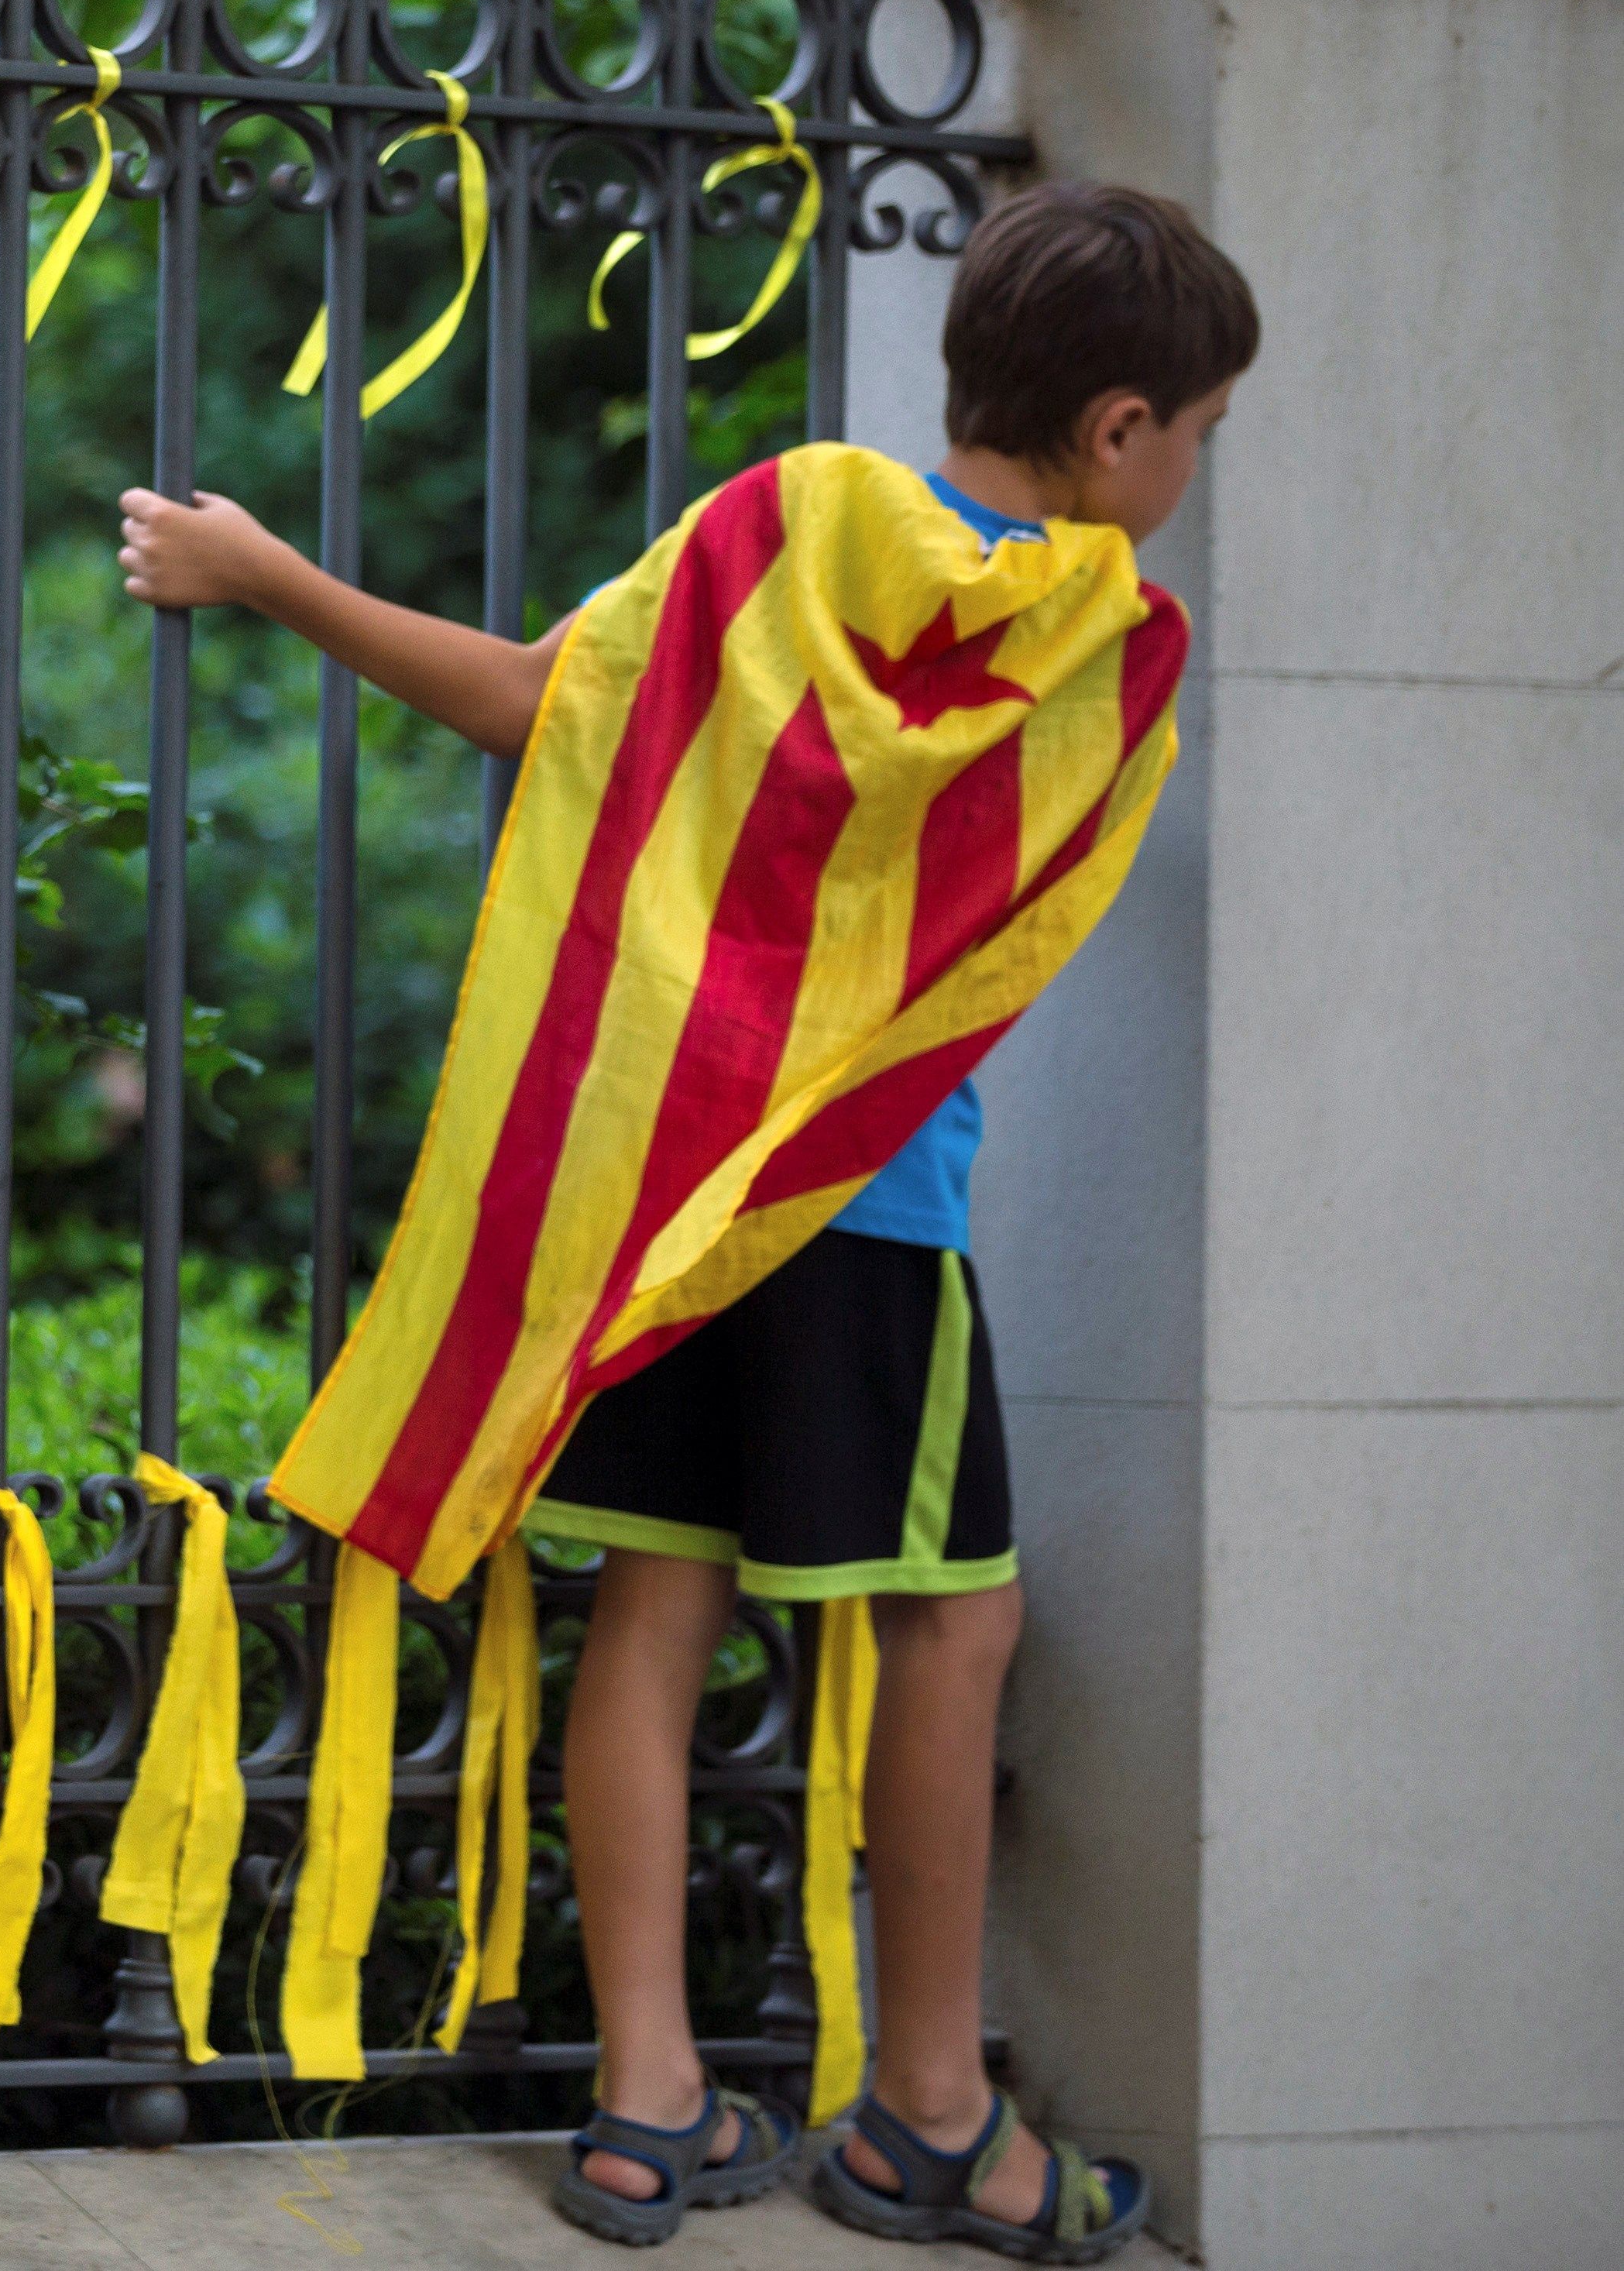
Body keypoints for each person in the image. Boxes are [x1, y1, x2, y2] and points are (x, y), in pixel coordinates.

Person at [120, 183, 1256, 2262]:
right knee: (953, 1622)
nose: (1187, 473)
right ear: (1111, 431)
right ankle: (928, 2112)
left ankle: (642, 2103)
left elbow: (532, 706)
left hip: (651, 1212)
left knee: (651, 1618)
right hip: (857, 1214)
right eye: (1192, 430)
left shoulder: (781, 528)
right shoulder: (1103, 636)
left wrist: (261, 570)